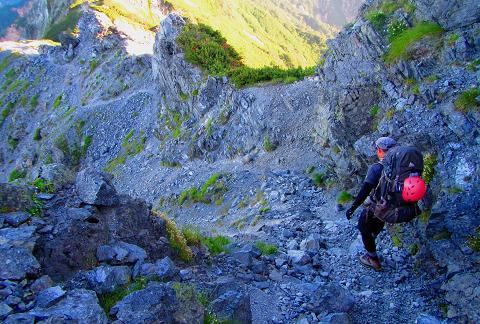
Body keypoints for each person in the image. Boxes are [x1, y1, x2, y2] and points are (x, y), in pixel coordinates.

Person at [345, 137, 398, 271]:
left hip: (377, 206)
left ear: (380, 151)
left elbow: (364, 191)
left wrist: (353, 207)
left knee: (363, 227)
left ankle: (372, 259)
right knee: (376, 225)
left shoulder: (377, 168)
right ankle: (372, 241)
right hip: (392, 205)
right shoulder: (400, 166)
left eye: (377, 149)